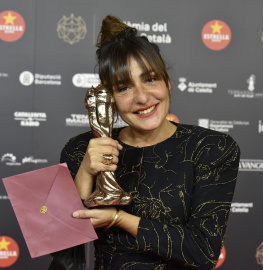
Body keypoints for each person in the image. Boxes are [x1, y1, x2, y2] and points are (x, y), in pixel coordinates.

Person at [51, 15, 240, 270]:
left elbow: (203, 251)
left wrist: (119, 218)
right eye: (124, 88)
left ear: (167, 81)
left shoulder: (211, 148)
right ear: (110, 98)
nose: (142, 97)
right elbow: (58, 245)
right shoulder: (82, 149)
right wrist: (85, 171)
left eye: (150, 79)